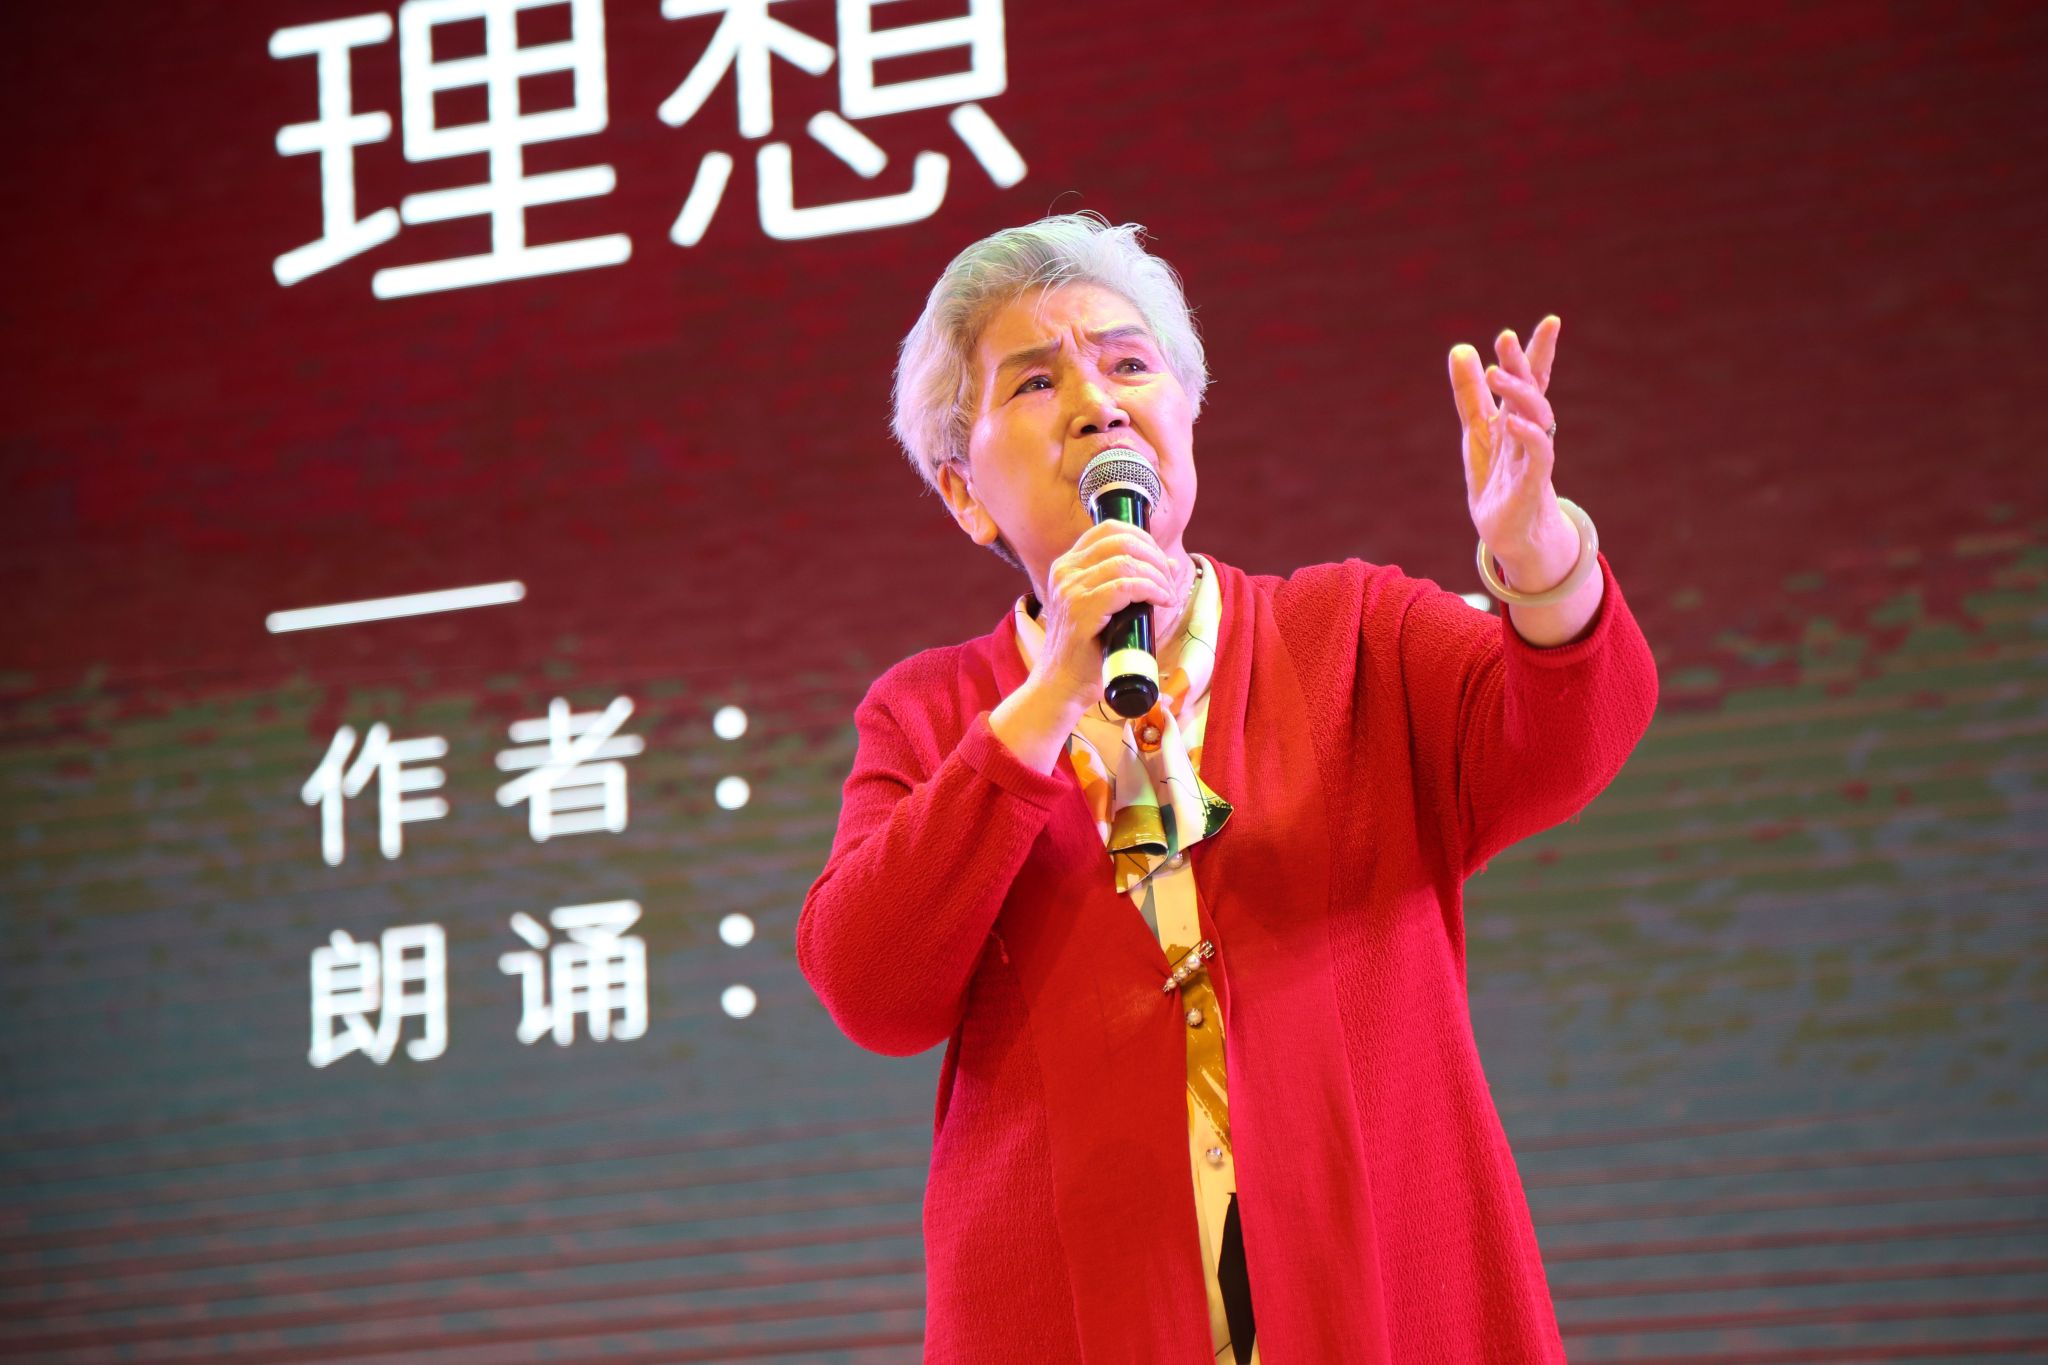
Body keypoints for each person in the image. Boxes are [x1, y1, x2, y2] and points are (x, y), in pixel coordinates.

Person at [797, 213, 1658, 1364]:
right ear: (963, 493)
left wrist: (1537, 554)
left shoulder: (1349, 631)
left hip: (1383, 1302)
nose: (1097, 405)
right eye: (1036, 381)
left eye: (1128, 364)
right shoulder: (929, 714)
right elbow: (870, 986)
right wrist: (1044, 703)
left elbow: (1568, 736)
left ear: (1186, 417)